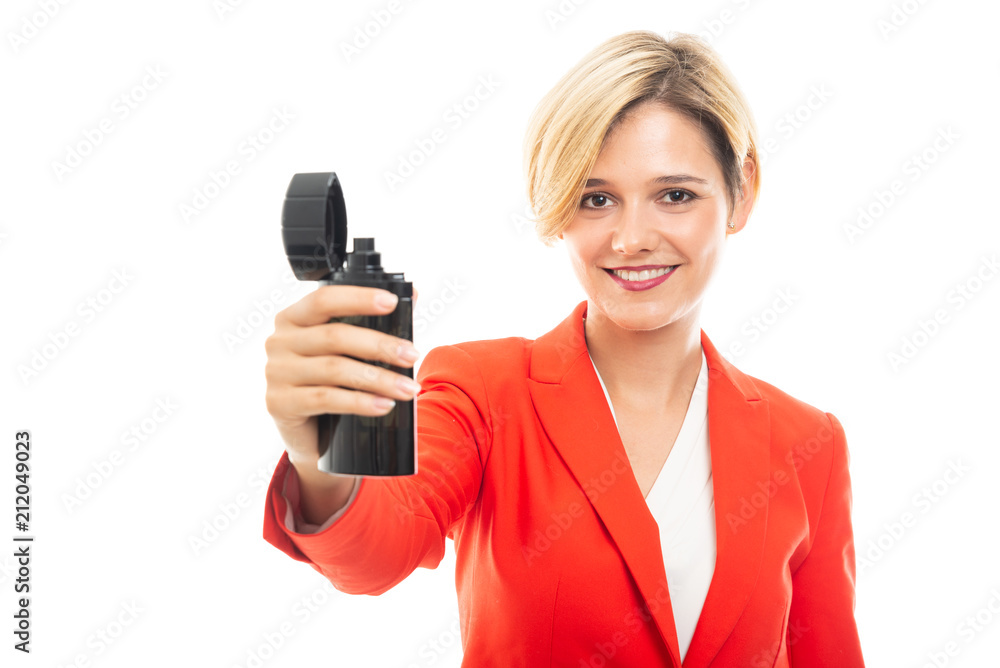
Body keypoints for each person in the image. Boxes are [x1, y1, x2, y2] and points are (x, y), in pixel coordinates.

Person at [262, 29, 865, 667]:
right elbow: (374, 554)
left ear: (742, 190)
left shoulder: (810, 445)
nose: (631, 239)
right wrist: (318, 455)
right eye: (596, 199)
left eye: (675, 195)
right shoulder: (483, 391)